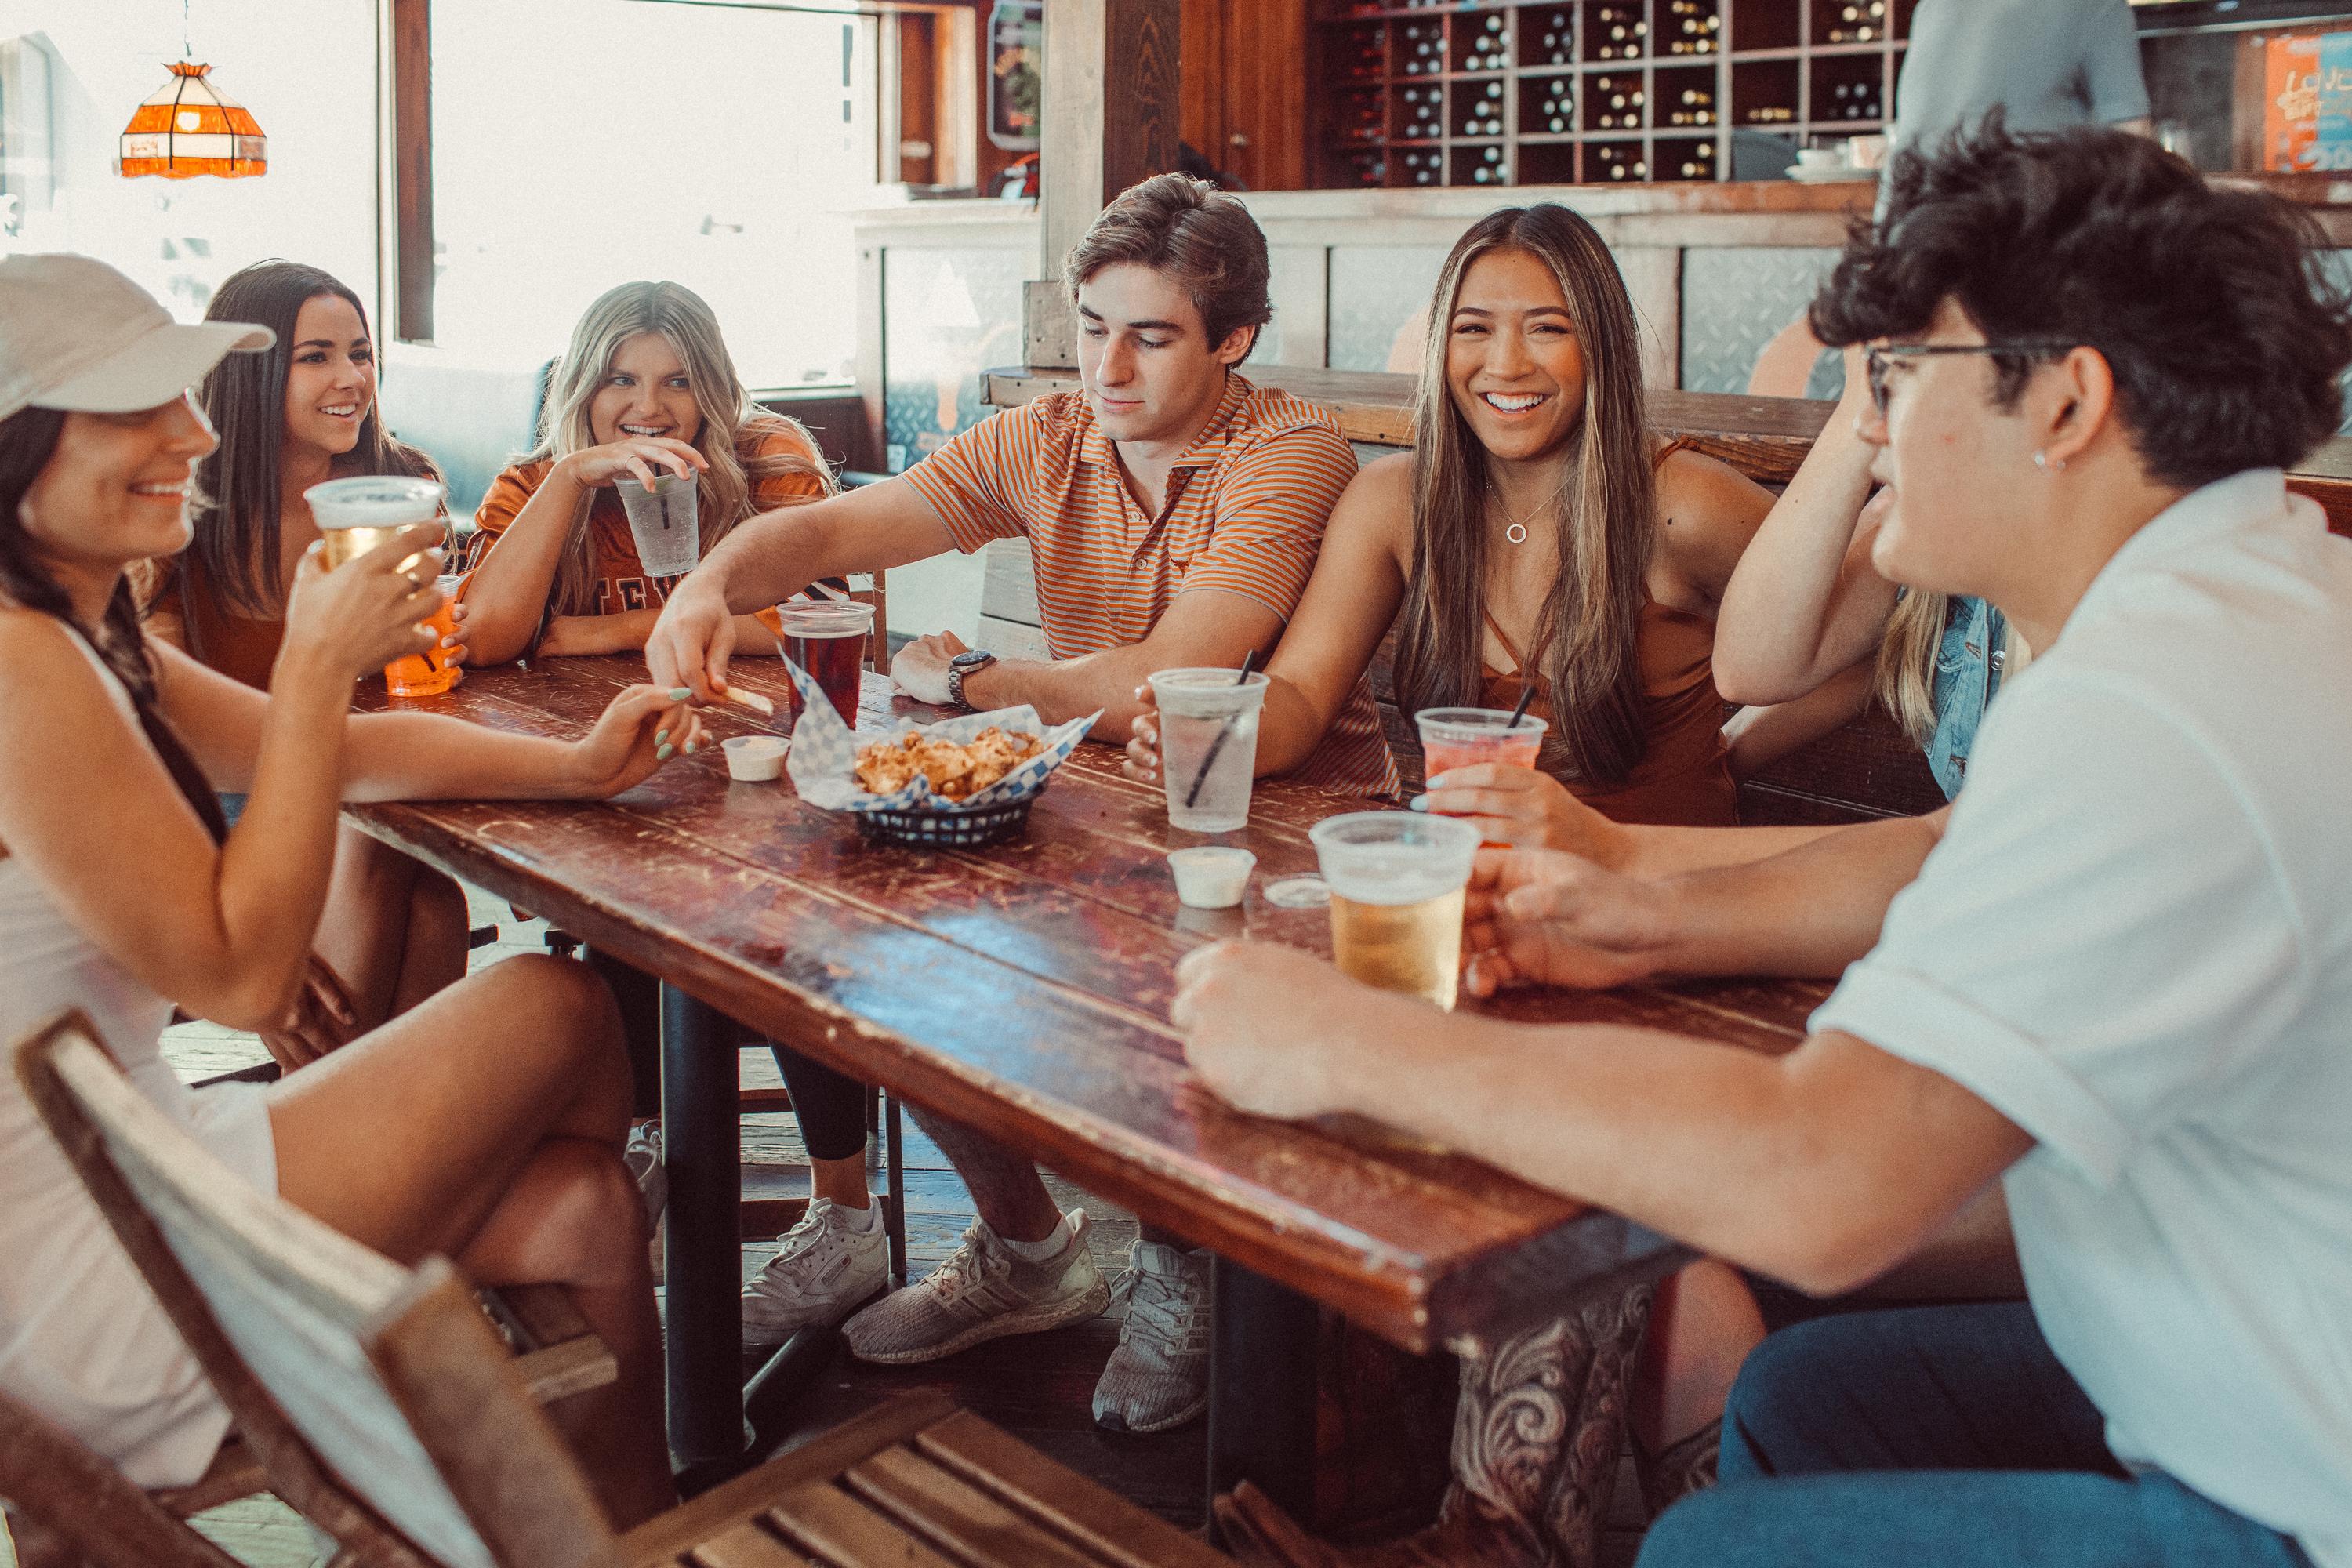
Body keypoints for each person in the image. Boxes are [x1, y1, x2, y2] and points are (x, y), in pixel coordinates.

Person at [1180, 126, 2352, 1568]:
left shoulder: (2149, 702)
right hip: (2215, 1331)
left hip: (2292, 1483)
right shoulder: (2261, 590)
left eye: (1895, 380)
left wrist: (1346, 1045)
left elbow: (1826, 1188)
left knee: (1701, 1555)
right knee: (1806, 1407)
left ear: (2065, 402)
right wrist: (1633, 914)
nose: (1864, 429)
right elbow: (1934, 854)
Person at [1116, 202, 1867, 1565]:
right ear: (1437, 349)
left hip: (1681, 958)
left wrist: (1761, 735)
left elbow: (1882, 620)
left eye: (1546, 328)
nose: (1504, 363)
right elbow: (1294, 694)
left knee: (1575, 1202)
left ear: (1602, 347)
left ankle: (1508, 1525)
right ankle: (1411, 1499)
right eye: (1474, 328)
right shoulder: (1397, 499)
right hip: (1486, 943)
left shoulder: (1681, 506)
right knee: (1313, 1111)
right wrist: (1188, 728)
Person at [645, 172, 1388, 1435]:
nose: (1110, 363)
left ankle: (1187, 1263)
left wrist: (972, 675)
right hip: (1094, 802)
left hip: (1260, 830)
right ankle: (1031, 1254)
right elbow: (832, 532)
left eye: (1151, 336)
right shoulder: (1047, 434)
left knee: (1118, 970)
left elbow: (1178, 678)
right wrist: (706, 585)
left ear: (1234, 340)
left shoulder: (1293, 451)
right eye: (1093, 326)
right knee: (878, 946)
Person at [0, 253, 703, 1526]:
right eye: (136, 409)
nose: (196, 434)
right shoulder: (14, 659)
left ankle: (625, 1541)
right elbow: (242, 976)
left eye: (192, 399)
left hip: (142, 1179)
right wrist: (323, 667)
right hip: (93, 1271)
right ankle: (477, 1508)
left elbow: (359, 751)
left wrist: (579, 768)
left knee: (591, 1215)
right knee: (555, 1006)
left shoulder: (73, 636)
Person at [141, 260, 473, 1067]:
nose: (351, 378)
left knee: (433, 902)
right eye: (316, 355)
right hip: (215, 813)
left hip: (359, 773)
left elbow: (452, 640)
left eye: (360, 353)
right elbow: (159, 745)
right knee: (386, 852)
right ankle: (336, 1122)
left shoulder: (398, 488)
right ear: (253, 376)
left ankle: (362, 1153)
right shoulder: (182, 517)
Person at [458, 278, 837, 665]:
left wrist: (619, 629)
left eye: (678, 382)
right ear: (583, 389)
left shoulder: (765, 457)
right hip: (583, 718)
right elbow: (480, 641)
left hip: (745, 713)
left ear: (709, 391)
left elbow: (823, 620)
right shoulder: (531, 485)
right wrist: (568, 478)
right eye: (622, 380)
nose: (649, 407)